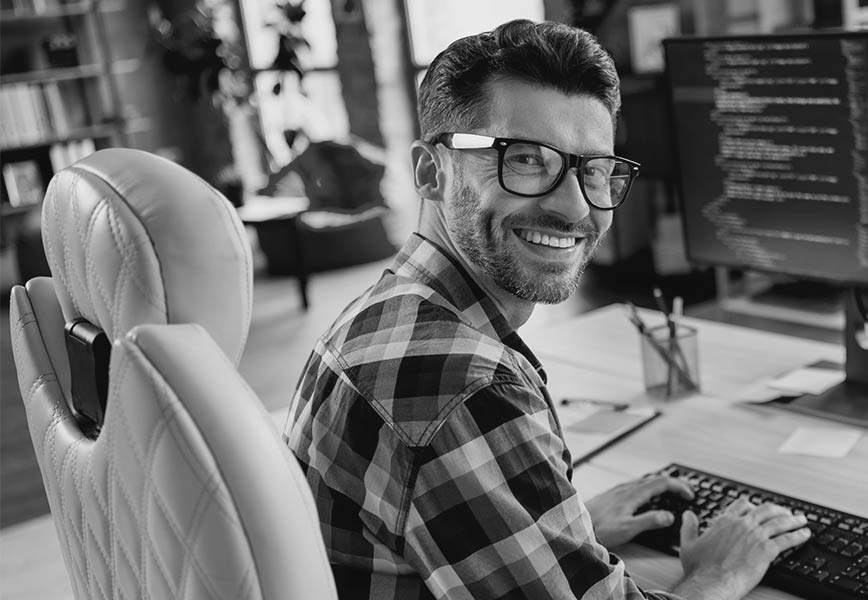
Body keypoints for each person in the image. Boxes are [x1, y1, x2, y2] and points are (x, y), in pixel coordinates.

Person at [283, 19, 811, 599]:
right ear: (432, 171)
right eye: (527, 159)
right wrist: (723, 570)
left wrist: (562, 527)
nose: (573, 207)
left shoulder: (386, 312)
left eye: (594, 170)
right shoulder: (461, 385)